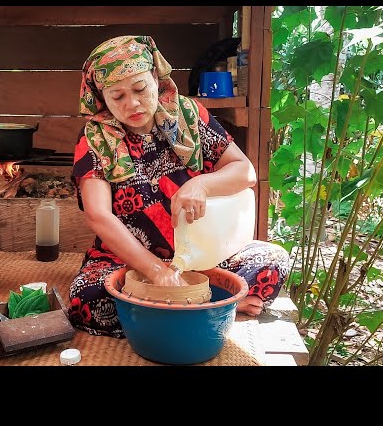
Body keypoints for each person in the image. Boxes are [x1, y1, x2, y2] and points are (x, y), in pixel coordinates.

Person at [68, 35, 290, 337]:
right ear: (101, 97)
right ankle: (213, 306)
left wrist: (202, 185)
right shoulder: (94, 138)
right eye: (117, 96)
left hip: (203, 254)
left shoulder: (188, 115)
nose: (131, 103)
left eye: (140, 89)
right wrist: (155, 270)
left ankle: (160, 312)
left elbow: (245, 172)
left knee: (271, 259)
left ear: (156, 79)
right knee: (87, 296)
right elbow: (98, 215)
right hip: (126, 260)